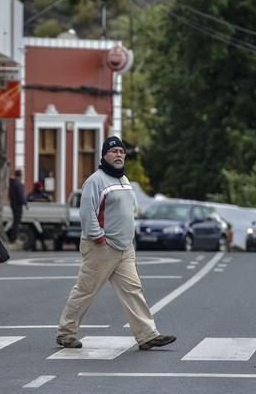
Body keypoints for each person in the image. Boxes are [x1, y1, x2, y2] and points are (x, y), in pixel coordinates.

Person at [56, 136, 177, 350]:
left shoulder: (124, 180)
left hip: (124, 248)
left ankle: (147, 335)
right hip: (102, 247)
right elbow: (87, 213)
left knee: (133, 290)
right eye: (114, 152)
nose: (119, 155)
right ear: (104, 155)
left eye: (121, 152)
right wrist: (98, 237)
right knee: (86, 290)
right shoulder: (95, 180)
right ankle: (66, 333)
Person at [8, 169, 27, 243]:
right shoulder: (18, 184)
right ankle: (14, 238)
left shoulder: (12, 183)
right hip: (18, 205)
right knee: (17, 222)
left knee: (15, 221)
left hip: (13, 204)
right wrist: (24, 202)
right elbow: (21, 195)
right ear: (20, 175)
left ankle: (13, 237)